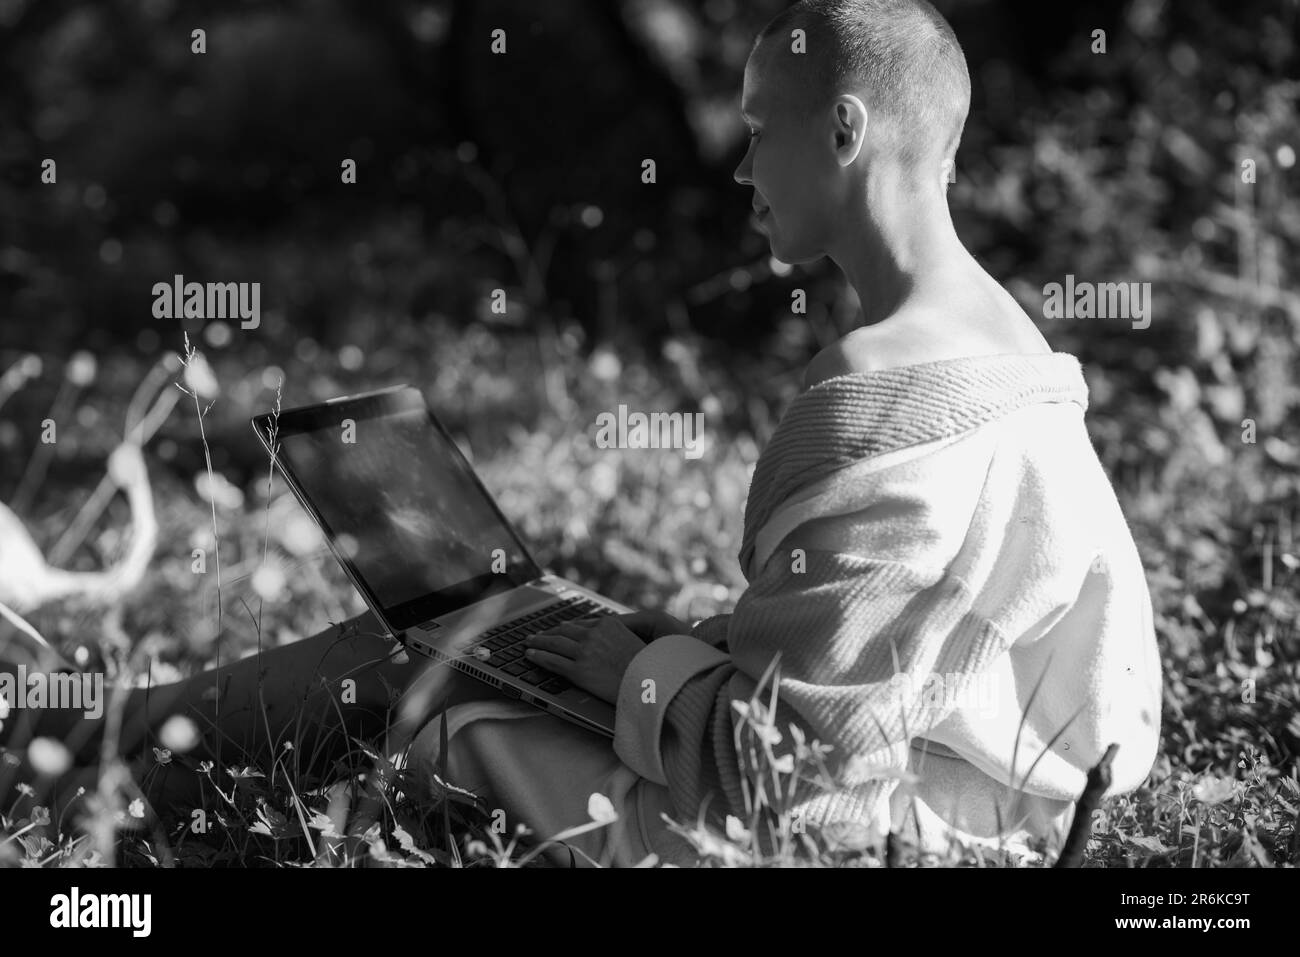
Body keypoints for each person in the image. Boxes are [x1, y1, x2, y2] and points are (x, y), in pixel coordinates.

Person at [401, 0, 1163, 866]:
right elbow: (891, 640)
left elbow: (798, 784)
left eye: (759, 130)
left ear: (844, 130)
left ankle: (215, 745)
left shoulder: (877, 384)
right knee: (476, 663)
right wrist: (707, 646)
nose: (742, 169)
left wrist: (641, 680)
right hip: (1019, 814)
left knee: (443, 724)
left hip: (883, 837)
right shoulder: (1014, 342)